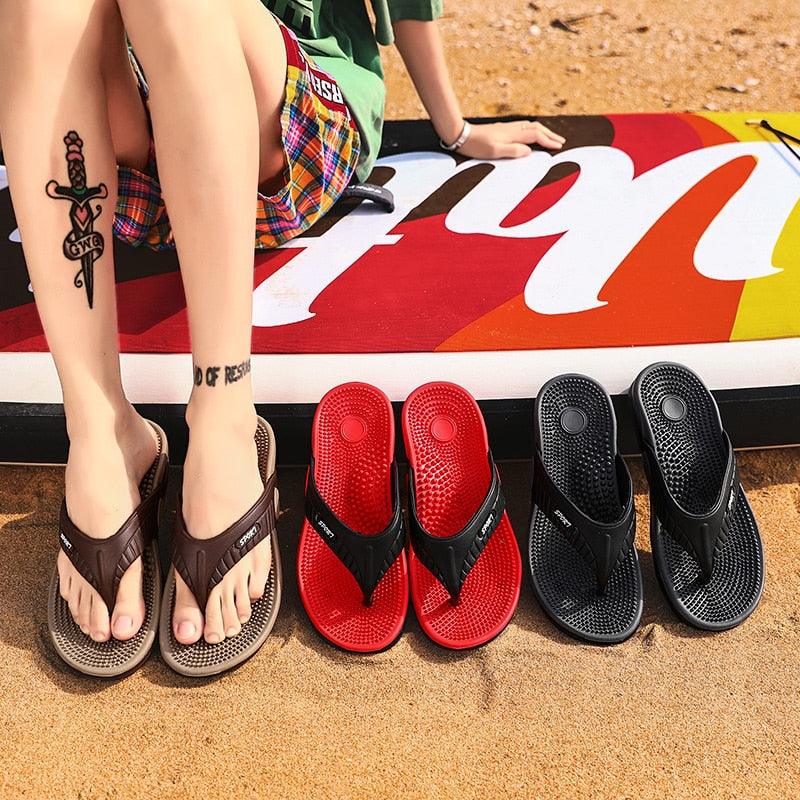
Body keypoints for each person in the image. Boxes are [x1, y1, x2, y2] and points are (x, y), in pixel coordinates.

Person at [0, 0, 564, 663]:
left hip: (286, 136)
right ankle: (99, 429)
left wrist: (454, 127)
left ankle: (223, 414)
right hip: (126, 161)